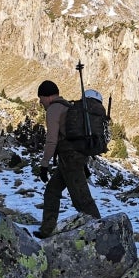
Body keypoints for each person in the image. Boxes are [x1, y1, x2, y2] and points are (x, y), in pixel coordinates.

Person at [35, 79, 101, 238]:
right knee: (52, 191)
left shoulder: (53, 110)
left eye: (41, 98)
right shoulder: (67, 106)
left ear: (48, 96)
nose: (40, 102)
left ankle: (100, 231)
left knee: (81, 199)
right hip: (73, 158)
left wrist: (44, 165)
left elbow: (51, 140)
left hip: (69, 159)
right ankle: (47, 230)